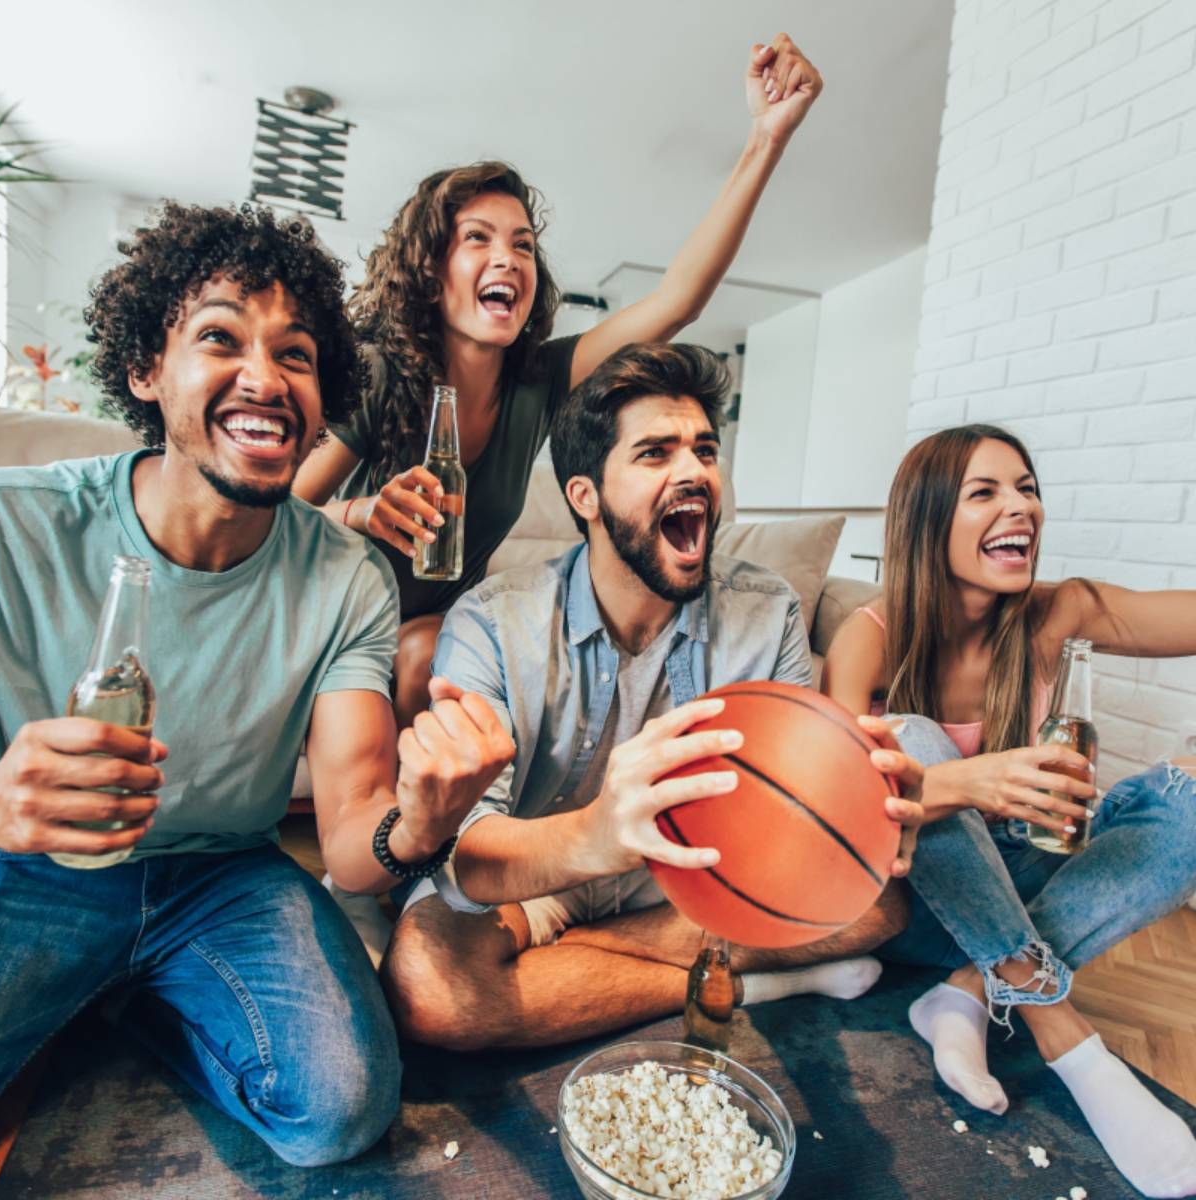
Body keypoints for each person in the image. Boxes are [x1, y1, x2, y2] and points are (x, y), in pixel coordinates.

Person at [0, 202, 511, 1167]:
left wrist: (426, 817)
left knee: (341, 1110)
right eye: (221, 337)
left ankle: (131, 996)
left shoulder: (345, 578)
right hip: (26, 873)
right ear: (148, 369)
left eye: (300, 355)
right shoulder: (15, 528)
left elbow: (356, 841)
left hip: (222, 878)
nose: (265, 379)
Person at [382, 342, 925, 1050]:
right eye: (655, 453)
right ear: (586, 496)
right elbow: (467, 854)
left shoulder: (771, 612)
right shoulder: (492, 621)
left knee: (877, 900)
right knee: (428, 983)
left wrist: (862, 805)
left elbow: (791, 811)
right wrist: (595, 837)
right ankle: (736, 979)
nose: (694, 471)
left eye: (703, 450)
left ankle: (593, 975)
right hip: (546, 870)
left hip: (697, 870)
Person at [292, 32, 824, 729]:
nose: (507, 257)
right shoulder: (381, 373)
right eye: (477, 238)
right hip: (341, 615)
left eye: (522, 244)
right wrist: (363, 514)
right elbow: (275, 514)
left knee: (445, 650)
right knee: (424, 652)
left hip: (442, 632)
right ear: (431, 267)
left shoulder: (537, 380)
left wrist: (766, 137)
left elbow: (679, 300)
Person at [823, 423, 1196, 1199]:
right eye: (985, 492)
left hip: (1023, 880)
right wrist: (965, 783)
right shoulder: (871, 638)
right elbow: (831, 806)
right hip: (914, 898)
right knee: (910, 739)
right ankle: (1064, 1036)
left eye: (1027, 488)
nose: (1020, 507)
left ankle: (967, 989)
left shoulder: (1059, 614)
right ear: (929, 519)